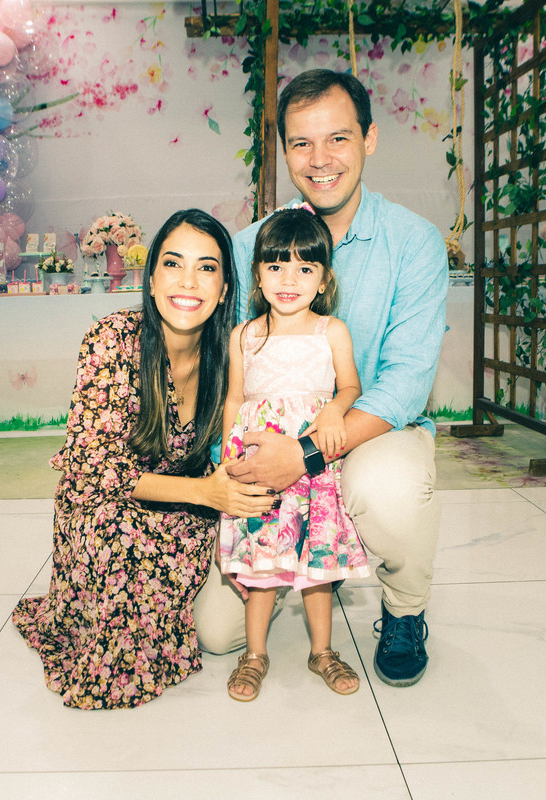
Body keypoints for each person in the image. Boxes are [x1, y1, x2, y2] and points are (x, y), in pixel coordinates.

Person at [193, 68, 449, 689]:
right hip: (267, 440)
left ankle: (404, 609)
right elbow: (224, 369)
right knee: (218, 635)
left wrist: (304, 455)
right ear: (284, 152)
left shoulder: (413, 242)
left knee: (386, 487)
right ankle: (292, 564)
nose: (320, 159)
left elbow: (405, 384)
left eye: (338, 138)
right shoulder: (252, 246)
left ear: (369, 139)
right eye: (302, 143)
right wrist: (233, 465)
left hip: (372, 433)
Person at [13, 208, 275, 710]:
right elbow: (93, 466)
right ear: (151, 279)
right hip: (107, 508)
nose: (188, 281)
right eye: (173, 264)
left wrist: (235, 521)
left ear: (224, 290)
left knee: (219, 635)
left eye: (206, 268)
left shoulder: (234, 354)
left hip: (190, 514)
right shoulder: (112, 339)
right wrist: (207, 493)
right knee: (118, 549)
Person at [218, 207, 369, 701]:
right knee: (263, 564)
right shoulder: (245, 336)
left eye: (305, 268)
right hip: (259, 465)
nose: (289, 279)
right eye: (276, 266)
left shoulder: (331, 331)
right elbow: (235, 399)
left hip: (312, 464)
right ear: (258, 276)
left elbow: (350, 386)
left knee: (315, 568)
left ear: (324, 280)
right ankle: (254, 655)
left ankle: (322, 651)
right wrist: (226, 458)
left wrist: (334, 411)